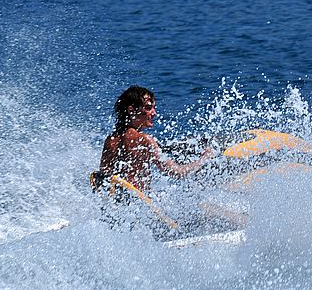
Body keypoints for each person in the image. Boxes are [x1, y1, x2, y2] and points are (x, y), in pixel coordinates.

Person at [92, 86, 246, 234]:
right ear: (131, 110)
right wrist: (204, 159)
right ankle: (248, 228)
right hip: (144, 214)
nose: (154, 113)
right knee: (206, 208)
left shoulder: (110, 140)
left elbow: (104, 179)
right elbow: (177, 173)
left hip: (120, 213)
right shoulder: (145, 141)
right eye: (148, 107)